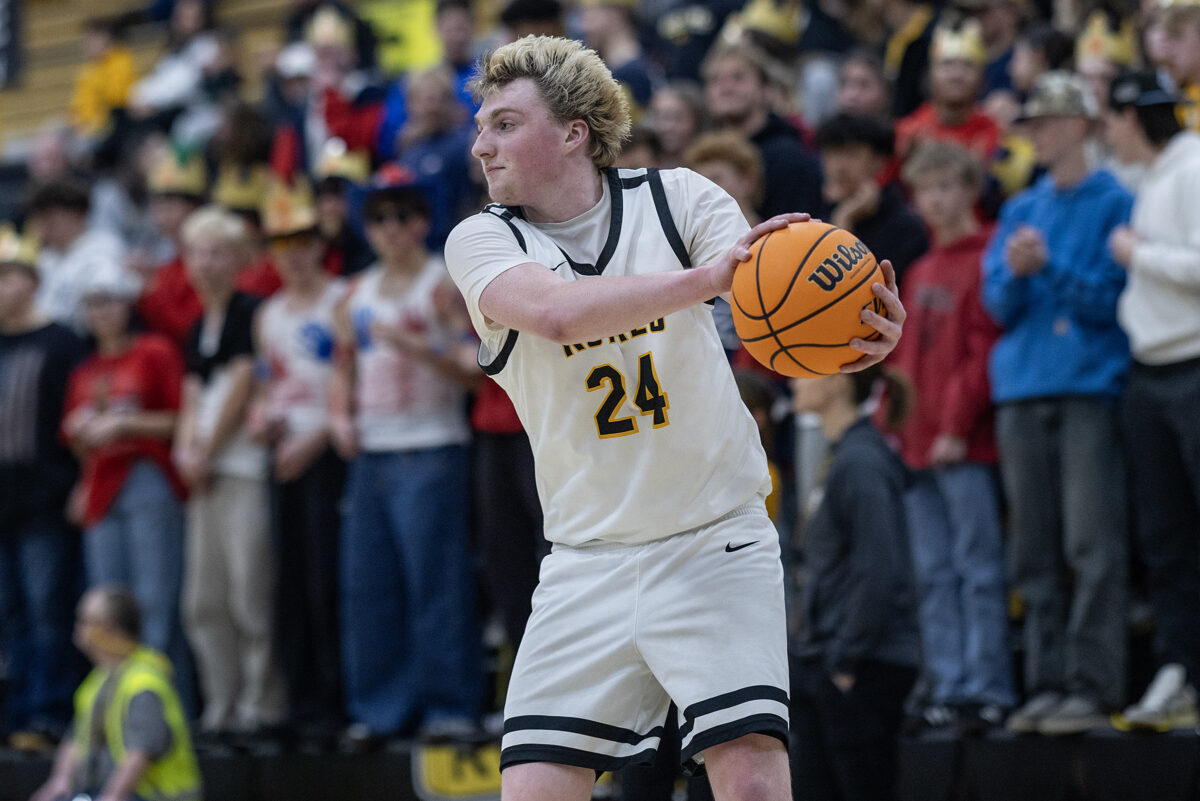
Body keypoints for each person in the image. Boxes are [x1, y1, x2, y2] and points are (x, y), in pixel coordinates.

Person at [443, 35, 902, 800]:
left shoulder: (679, 198)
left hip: (712, 539)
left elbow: (766, 303)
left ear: (573, 132)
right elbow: (558, 314)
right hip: (586, 555)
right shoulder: (481, 238)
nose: (481, 145)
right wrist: (702, 280)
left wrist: (853, 336)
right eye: (481, 126)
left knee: (751, 779)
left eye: (504, 124)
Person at [982, 71, 1132, 736]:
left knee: (1091, 543)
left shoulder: (1115, 200)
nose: (1034, 136)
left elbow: (1113, 299)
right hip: (1022, 388)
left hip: (1087, 387)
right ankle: (1045, 683)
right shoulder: (1022, 207)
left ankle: (1092, 686)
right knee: (1034, 549)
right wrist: (1020, 276)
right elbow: (996, 302)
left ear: (1077, 125)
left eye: (1043, 123)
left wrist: (1047, 269)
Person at [330, 166, 482, 748]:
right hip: (372, 452)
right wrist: (340, 418)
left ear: (422, 221)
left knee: (436, 582)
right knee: (368, 586)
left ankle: (450, 707)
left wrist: (417, 347)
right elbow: (342, 367)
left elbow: (474, 367)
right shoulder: (354, 293)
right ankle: (380, 712)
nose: (390, 228)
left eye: (402, 215)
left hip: (432, 444)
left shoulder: (442, 284)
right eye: (378, 218)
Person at [891, 141, 1013, 731]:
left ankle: (987, 686)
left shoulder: (988, 256)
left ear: (970, 190)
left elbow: (982, 352)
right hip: (916, 445)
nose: (935, 200)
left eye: (945, 186)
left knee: (977, 569)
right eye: (925, 189)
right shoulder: (920, 269)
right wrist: (894, 425)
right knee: (933, 575)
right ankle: (947, 684)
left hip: (963, 445)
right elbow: (905, 359)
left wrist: (955, 427)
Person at [1103, 70, 1200, 732]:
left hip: (1192, 366)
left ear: (1131, 118)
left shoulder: (1191, 168)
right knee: (1165, 540)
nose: (1106, 134)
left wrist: (1139, 255)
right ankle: (1178, 670)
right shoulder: (1153, 176)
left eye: (1110, 121)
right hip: (1149, 372)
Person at [174, 206, 286, 740]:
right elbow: (191, 397)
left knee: (250, 594)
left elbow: (243, 387)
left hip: (242, 470)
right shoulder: (198, 324)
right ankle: (219, 705)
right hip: (206, 475)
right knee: (203, 600)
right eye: (198, 253)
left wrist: (205, 452)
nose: (206, 263)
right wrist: (185, 454)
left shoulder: (251, 312)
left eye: (217, 252)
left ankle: (260, 705)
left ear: (238, 259)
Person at [62, 268, 193, 712]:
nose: (102, 311)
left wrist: (126, 423)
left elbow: (180, 418)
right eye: (93, 303)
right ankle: (116, 710)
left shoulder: (154, 351)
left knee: (156, 602)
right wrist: (82, 458)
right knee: (107, 607)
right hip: (102, 485)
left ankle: (162, 710)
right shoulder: (85, 370)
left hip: (146, 476)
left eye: (110, 300)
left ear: (127, 304)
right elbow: (78, 441)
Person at [788, 366, 919, 801]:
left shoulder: (861, 461)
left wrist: (845, 660)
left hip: (862, 664)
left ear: (837, 382)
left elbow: (880, 566)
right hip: (828, 658)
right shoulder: (841, 454)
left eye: (804, 371)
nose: (793, 381)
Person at [250, 177, 348, 743]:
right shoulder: (268, 313)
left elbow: (351, 379)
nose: (292, 254)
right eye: (281, 244)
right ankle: (300, 697)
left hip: (326, 449)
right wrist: (261, 420)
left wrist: (317, 438)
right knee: (286, 579)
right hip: (282, 448)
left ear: (319, 245)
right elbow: (266, 385)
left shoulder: (342, 299)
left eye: (302, 242)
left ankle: (334, 699)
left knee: (325, 578)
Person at [0, 226, 89, 752]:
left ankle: (48, 710)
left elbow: (75, 420)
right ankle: (13, 711)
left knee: (46, 609)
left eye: (8, 277)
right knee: (8, 613)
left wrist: (78, 483)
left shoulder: (62, 341)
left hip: (45, 497)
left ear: (33, 282)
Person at [27, 586, 203, 801]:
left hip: (156, 795)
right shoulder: (97, 680)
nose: (79, 629)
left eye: (86, 621)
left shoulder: (144, 682)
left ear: (110, 628)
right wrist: (60, 781)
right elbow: (75, 738)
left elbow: (141, 753)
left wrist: (111, 796)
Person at [815, 112, 928, 284]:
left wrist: (843, 221)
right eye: (832, 154)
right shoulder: (815, 215)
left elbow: (861, 290)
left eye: (851, 154)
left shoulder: (906, 228)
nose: (839, 166)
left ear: (879, 161)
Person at [26, 180, 133, 333]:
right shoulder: (46, 258)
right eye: (39, 221)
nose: (44, 229)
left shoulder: (104, 248)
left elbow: (104, 313)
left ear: (79, 215)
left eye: (50, 220)